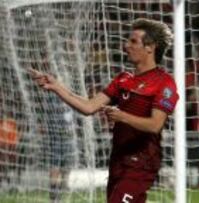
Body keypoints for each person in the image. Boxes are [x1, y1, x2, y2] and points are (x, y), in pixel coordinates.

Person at [29, 18, 178, 203]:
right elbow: (89, 107)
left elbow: (155, 125)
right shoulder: (123, 80)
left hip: (141, 164)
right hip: (117, 161)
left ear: (150, 47)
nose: (126, 45)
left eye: (133, 41)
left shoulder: (164, 83)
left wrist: (122, 116)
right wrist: (56, 86)